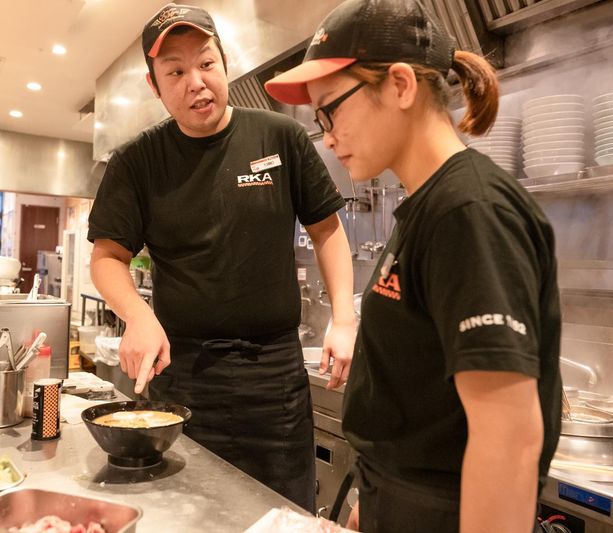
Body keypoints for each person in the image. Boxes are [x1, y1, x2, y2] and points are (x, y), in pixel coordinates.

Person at [265, 0, 562, 531]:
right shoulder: (423, 208)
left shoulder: (469, 210)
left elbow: (509, 439)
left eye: (330, 109)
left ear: (400, 85)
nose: (327, 136)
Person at [87, 3, 356, 512]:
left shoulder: (281, 137)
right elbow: (107, 256)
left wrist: (344, 317)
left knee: (283, 514)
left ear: (224, 64)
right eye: (176, 71)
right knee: (187, 512)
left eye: (206, 64)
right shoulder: (137, 161)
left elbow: (327, 230)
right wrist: (138, 317)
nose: (196, 82)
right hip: (184, 374)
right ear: (156, 85)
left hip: (275, 375)